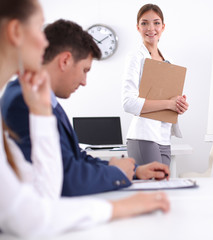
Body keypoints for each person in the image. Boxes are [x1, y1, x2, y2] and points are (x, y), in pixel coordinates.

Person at [0, 0, 169, 237]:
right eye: (39, 28)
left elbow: (59, 171)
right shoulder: (23, 100)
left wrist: (132, 169)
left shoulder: (38, 98)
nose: (44, 42)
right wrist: (118, 191)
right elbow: (57, 187)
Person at [122, 3, 189, 167]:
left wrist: (179, 105)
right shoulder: (135, 57)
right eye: (144, 23)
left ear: (163, 27)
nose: (150, 28)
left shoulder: (169, 61)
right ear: (138, 27)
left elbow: (170, 103)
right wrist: (169, 104)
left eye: (156, 23)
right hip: (144, 135)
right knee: (152, 188)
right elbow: (128, 103)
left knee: (163, 188)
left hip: (164, 137)